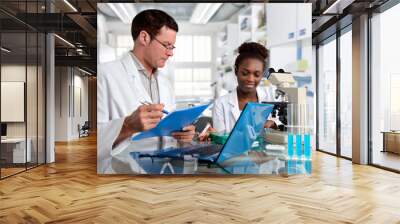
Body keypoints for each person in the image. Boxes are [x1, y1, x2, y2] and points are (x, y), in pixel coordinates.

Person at [97, 9, 195, 173]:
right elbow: (91, 143)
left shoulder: (165, 82)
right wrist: (127, 127)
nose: (170, 53)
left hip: (164, 170)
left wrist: (182, 135)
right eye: (166, 45)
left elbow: (167, 132)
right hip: (121, 175)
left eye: (172, 47)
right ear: (144, 37)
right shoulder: (105, 75)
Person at [212, 42, 279, 133]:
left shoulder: (272, 96)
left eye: (257, 74)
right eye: (245, 73)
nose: (250, 79)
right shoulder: (221, 104)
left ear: (262, 74)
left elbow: (285, 124)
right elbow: (219, 139)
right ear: (236, 71)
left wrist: (273, 124)